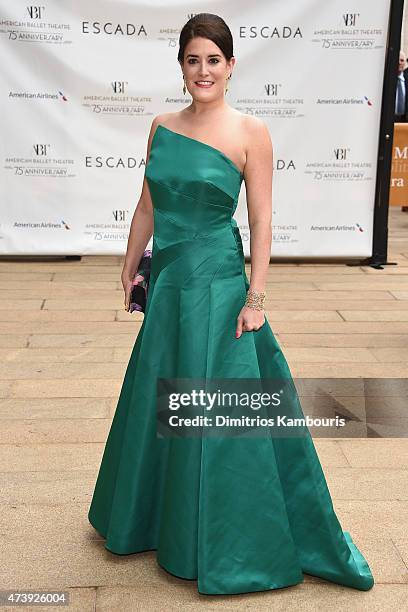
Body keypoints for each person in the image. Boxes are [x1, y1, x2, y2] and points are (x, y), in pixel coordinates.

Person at [88, 13, 375, 596]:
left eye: (213, 60)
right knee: (161, 395)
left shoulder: (250, 132)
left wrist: (256, 297)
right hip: (168, 285)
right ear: (181, 66)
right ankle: (155, 519)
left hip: (220, 288)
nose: (202, 71)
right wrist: (128, 264)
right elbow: (147, 204)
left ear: (231, 66)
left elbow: (263, 219)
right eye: (192, 60)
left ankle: (226, 537)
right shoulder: (160, 127)